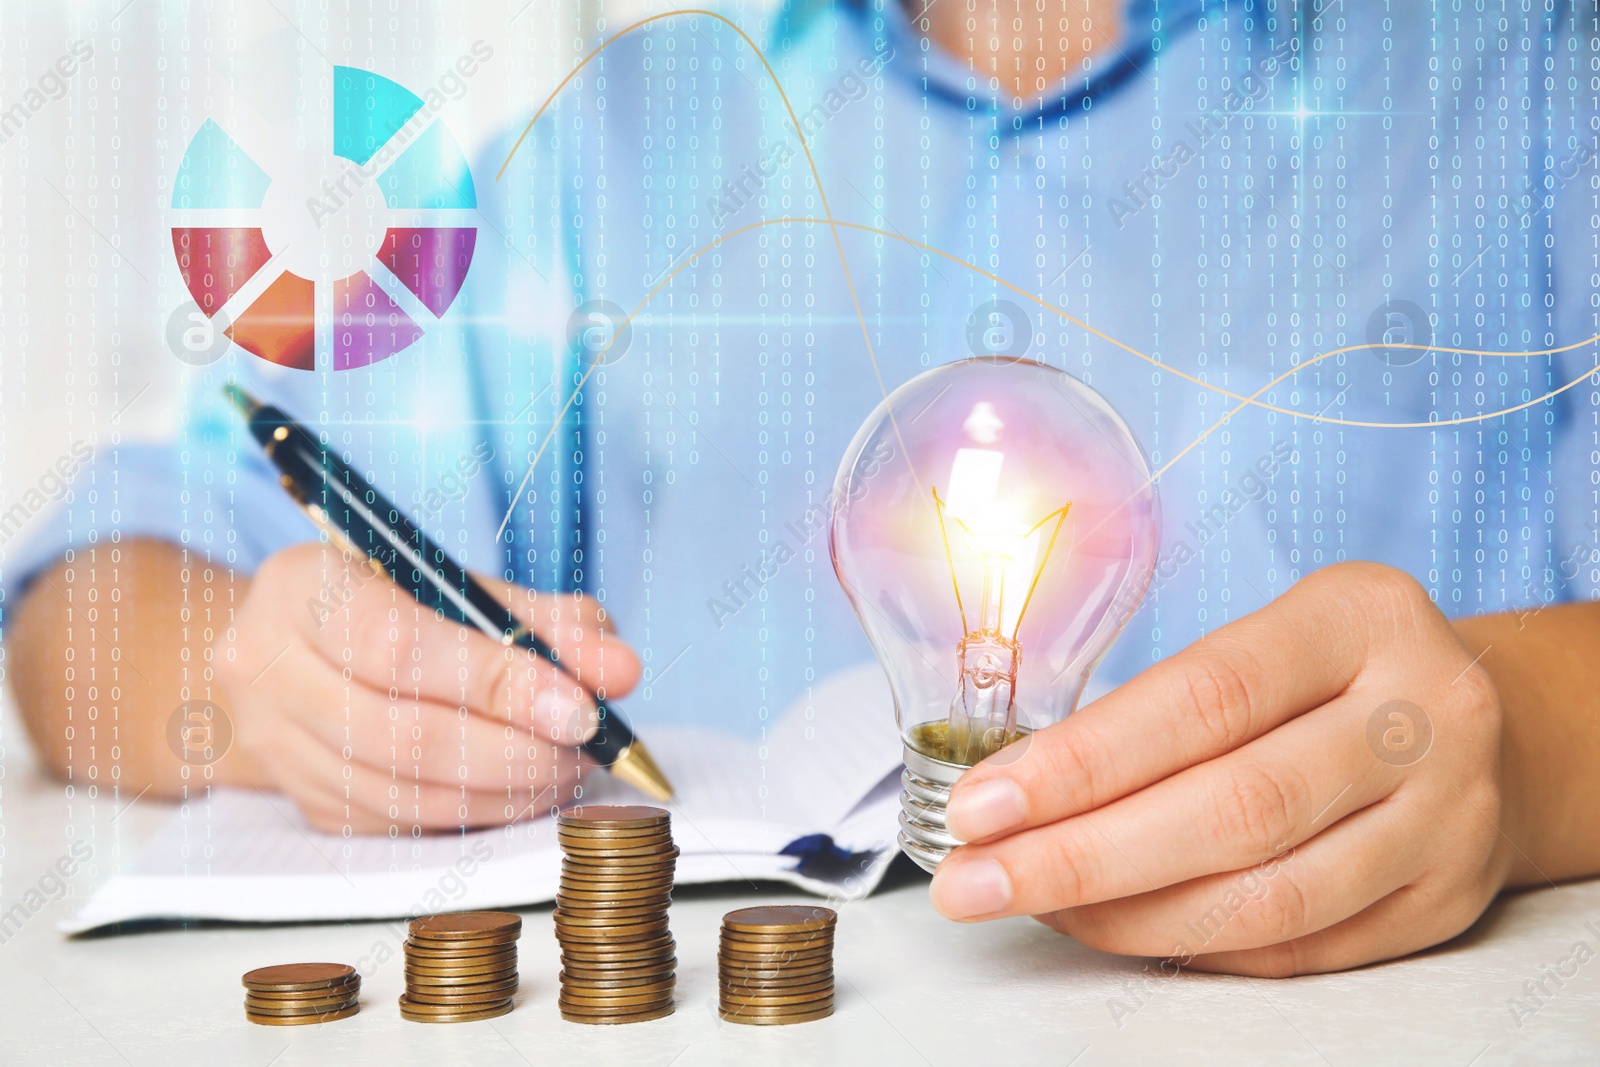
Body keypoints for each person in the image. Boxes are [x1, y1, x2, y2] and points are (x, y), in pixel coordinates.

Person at [6, 0, 1600, 977]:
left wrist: (1516, 749)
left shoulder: (1532, 79)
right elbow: (84, 592)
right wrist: (257, 674)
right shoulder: (624, 151)